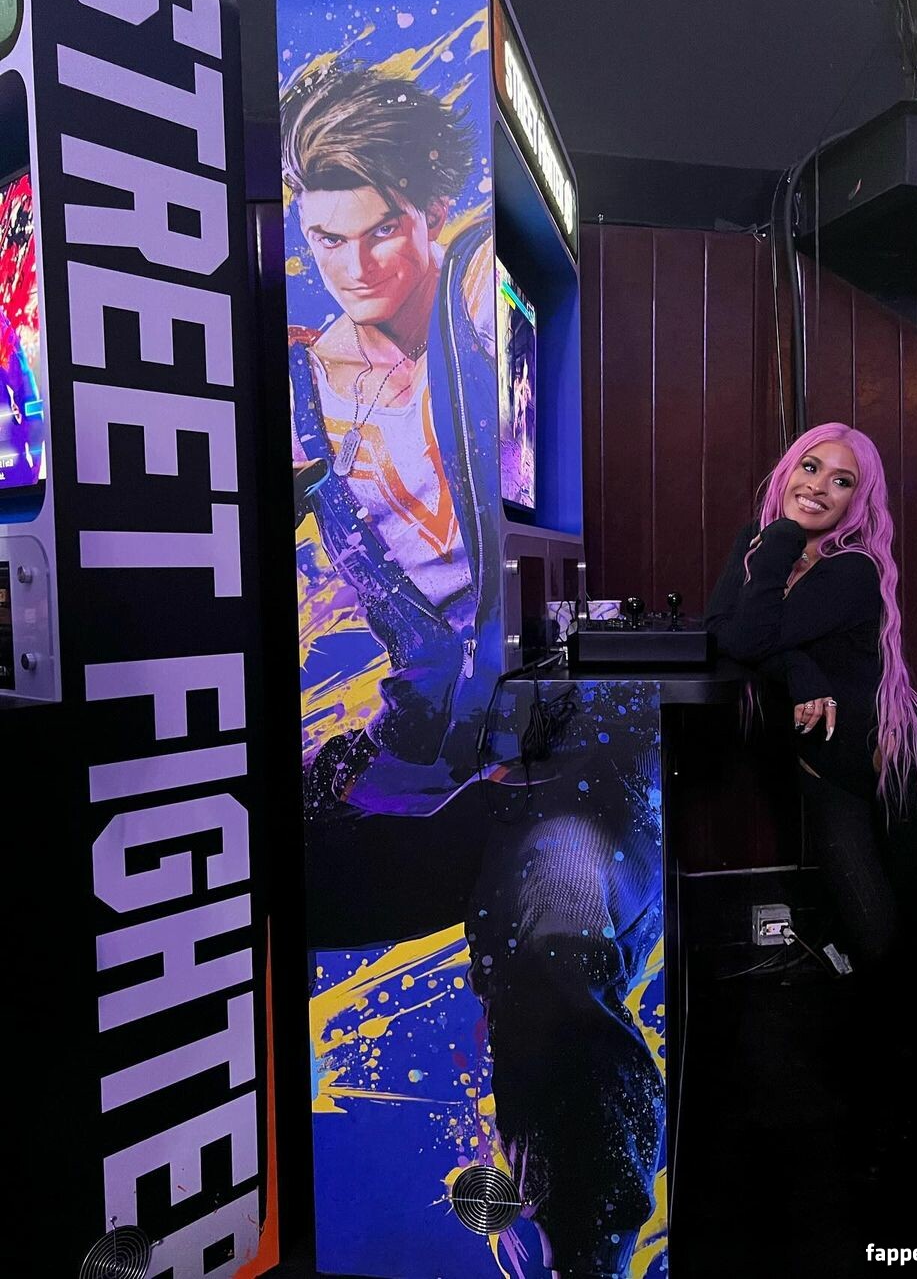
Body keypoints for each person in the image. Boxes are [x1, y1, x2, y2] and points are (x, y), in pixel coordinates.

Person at [282, 63, 662, 1279]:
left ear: (434, 216)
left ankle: (589, 1249)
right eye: (325, 236)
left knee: (546, 940)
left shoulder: (474, 310)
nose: (354, 265)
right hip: (441, 740)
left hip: (570, 732)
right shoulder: (302, 382)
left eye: (380, 229)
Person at [705, 422, 917, 1180]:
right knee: (874, 932)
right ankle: (887, 1086)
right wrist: (803, 671)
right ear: (788, 469)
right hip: (828, 773)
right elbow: (725, 635)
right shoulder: (758, 546)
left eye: (841, 480)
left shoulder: (854, 569)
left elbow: (753, 636)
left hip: (901, 764)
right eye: (811, 467)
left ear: (860, 500)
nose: (819, 486)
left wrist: (781, 554)